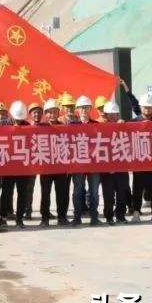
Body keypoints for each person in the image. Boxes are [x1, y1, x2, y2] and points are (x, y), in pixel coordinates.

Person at [130, 96, 152, 223]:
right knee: (138, 188)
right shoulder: (133, 123)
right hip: (139, 161)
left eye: (150, 107)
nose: (147, 109)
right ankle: (136, 211)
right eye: (145, 107)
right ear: (140, 107)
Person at [0, 101, 31, 228]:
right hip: (8, 164)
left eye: (20, 119)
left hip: (23, 165)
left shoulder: (28, 126)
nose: (18, 121)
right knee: (6, 192)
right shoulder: (3, 124)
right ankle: (3, 217)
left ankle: (19, 218)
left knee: (22, 193)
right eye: (16, 119)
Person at [70, 97, 101, 226]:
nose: (84, 110)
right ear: (77, 110)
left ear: (90, 109)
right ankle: (77, 217)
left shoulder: (97, 125)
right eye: (81, 107)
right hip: (78, 164)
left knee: (94, 191)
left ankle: (94, 217)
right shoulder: (72, 126)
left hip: (94, 164)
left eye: (86, 107)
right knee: (78, 190)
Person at [38, 99, 70, 227]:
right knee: (45, 193)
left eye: (55, 112)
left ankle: (62, 216)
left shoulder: (63, 127)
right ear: (46, 113)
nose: (52, 114)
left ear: (58, 112)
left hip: (61, 165)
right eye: (50, 112)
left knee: (62, 192)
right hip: (45, 166)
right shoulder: (40, 127)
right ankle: (45, 218)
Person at [98, 101, 131, 224]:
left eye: (115, 114)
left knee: (122, 192)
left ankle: (121, 215)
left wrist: (124, 125)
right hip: (107, 169)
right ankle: (109, 216)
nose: (112, 117)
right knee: (108, 194)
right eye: (110, 114)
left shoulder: (122, 126)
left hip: (121, 167)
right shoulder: (100, 128)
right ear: (105, 115)